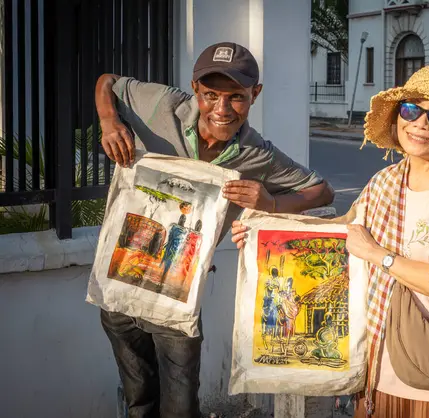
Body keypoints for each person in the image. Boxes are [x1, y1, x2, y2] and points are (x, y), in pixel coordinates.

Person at [233, 64, 429, 418]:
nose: (420, 124)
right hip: (379, 370)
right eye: (412, 110)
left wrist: (379, 255)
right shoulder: (384, 182)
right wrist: (265, 232)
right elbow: (338, 236)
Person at [95, 41, 334, 418]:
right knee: (139, 398)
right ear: (195, 89)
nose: (221, 109)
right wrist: (109, 121)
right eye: (211, 95)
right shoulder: (162, 104)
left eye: (236, 97)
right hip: (120, 282)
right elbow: (107, 81)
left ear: (255, 94)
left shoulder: (258, 155)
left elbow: (322, 190)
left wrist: (271, 203)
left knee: (179, 407)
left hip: (177, 297)